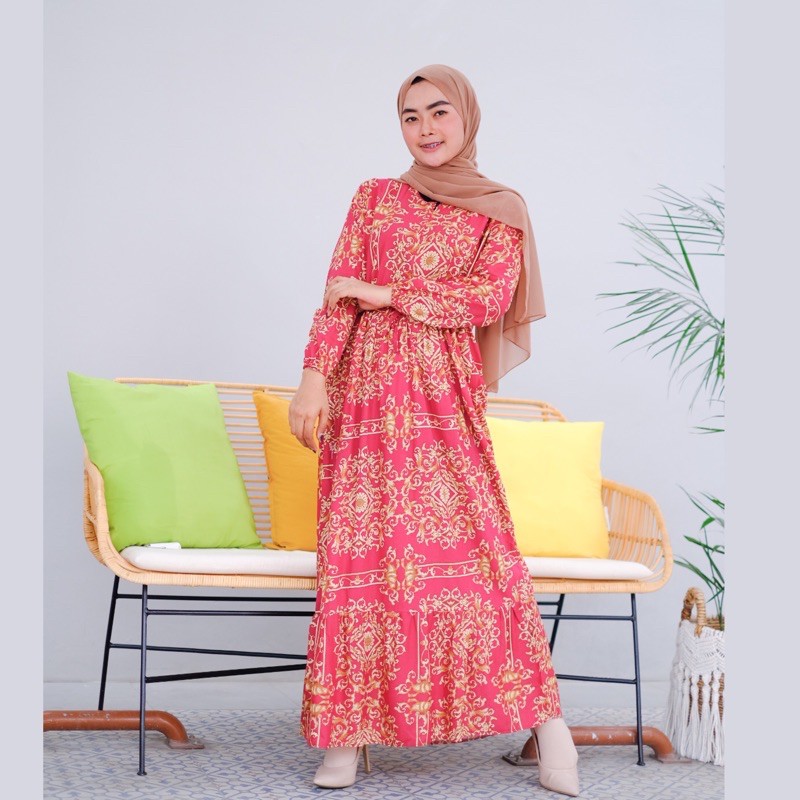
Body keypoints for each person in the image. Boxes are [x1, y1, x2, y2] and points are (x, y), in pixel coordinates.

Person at [288, 64, 580, 796]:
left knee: (481, 561)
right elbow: (337, 294)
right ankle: (345, 737)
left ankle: (552, 731)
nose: (425, 129)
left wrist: (385, 291)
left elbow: (486, 299)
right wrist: (313, 379)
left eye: (439, 112)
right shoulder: (374, 197)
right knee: (358, 564)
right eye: (410, 116)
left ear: (467, 117)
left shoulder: (501, 208)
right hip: (361, 401)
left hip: (443, 399)